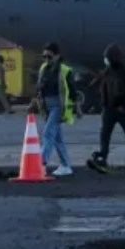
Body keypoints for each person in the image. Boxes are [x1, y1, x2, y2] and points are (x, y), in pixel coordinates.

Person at [87, 43, 125, 172]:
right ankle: (103, 156)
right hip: (109, 108)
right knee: (105, 134)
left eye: (107, 57)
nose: (106, 60)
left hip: (123, 109)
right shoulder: (108, 71)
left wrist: (124, 106)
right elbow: (101, 81)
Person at [36, 42, 77, 176]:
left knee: (48, 133)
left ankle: (41, 163)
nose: (47, 60)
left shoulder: (65, 70)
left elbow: (72, 91)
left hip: (58, 106)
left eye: (50, 57)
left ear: (57, 56)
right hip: (46, 106)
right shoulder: (43, 68)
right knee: (57, 138)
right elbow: (40, 87)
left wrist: (76, 108)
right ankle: (65, 165)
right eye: (45, 57)